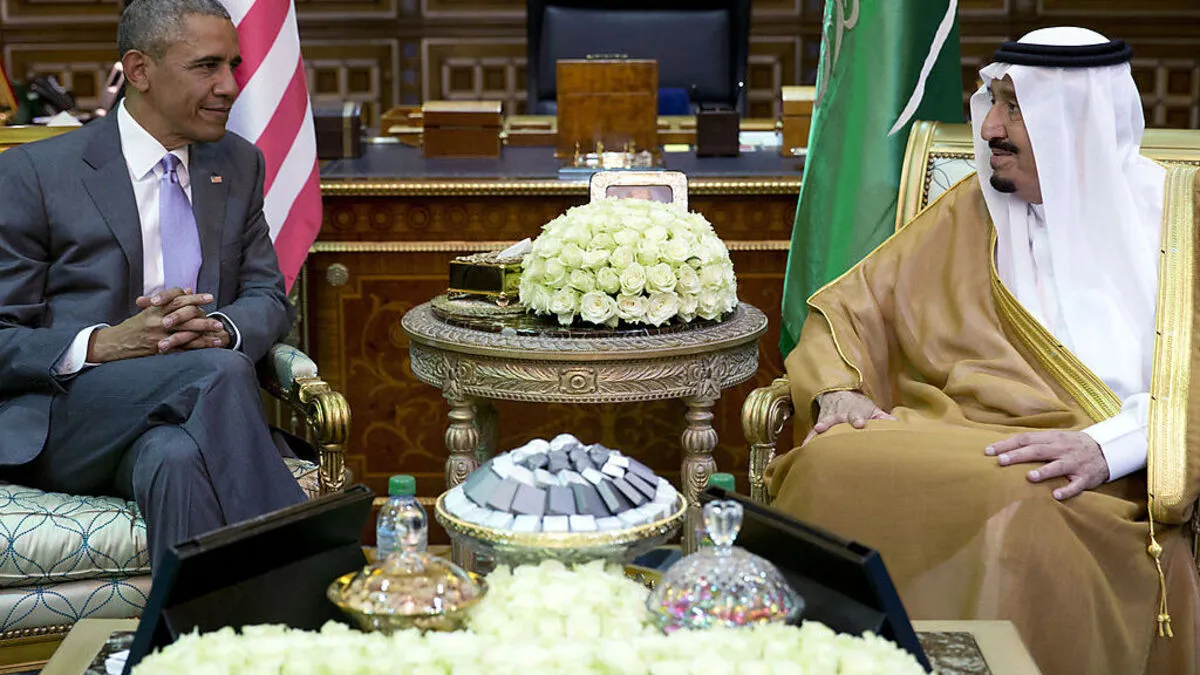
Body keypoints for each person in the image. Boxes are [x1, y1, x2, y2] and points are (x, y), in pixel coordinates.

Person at [766, 27, 1200, 675]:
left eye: (1015, 108)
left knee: (1022, 513)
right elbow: (853, 308)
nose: (991, 127)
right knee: (829, 462)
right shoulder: (971, 210)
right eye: (992, 101)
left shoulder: (1177, 221)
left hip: (1096, 465)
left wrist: (1106, 448)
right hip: (956, 432)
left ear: (1073, 120)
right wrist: (837, 389)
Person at [0, 0, 307, 574]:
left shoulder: (238, 164)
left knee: (176, 458)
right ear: (140, 70)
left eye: (234, 66)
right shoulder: (35, 175)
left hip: (184, 419)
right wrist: (104, 344)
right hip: (70, 419)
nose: (229, 86)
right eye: (207, 66)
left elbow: (268, 296)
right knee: (219, 372)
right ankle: (305, 569)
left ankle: (197, 629)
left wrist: (220, 329)